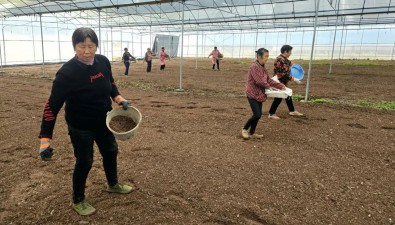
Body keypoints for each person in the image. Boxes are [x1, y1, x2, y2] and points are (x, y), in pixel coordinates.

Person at [38, 27, 134, 216]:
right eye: (82, 46)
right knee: (85, 160)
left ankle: (113, 184)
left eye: (91, 46)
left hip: (104, 121)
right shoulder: (66, 73)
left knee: (111, 151)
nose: (87, 51)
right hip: (81, 125)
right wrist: (44, 140)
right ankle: (78, 199)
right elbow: (51, 107)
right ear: (74, 47)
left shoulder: (103, 62)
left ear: (96, 46)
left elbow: (111, 83)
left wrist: (119, 99)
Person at [242, 48, 286, 140]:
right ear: (259, 56)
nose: (267, 58)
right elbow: (259, 81)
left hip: (259, 94)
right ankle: (245, 129)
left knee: (258, 115)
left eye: (268, 56)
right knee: (257, 114)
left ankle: (252, 133)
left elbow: (268, 80)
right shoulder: (254, 66)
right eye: (266, 56)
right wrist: (269, 87)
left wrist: (280, 86)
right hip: (252, 93)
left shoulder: (262, 67)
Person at [268, 45, 303, 120]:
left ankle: (292, 110)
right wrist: (294, 79)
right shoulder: (280, 60)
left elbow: (290, 63)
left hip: (282, 81)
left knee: (288, 94)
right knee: (278, 97)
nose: (291, 53)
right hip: (279, 81)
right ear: (285, 51)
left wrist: (297, 67)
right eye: (290, 52)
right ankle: (271, 113)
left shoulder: (284, 59)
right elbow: (284, 74)